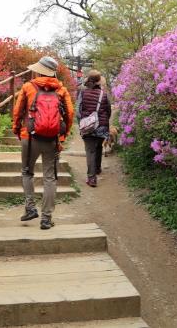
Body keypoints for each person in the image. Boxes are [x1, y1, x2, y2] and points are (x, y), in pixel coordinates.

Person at [12, 56, 74, 229]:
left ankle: (30, 208)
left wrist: (17, 129)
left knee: (27, 172)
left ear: (39, 70)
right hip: (52, 140)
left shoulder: (28, 87)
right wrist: (63, 135)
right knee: (50, 178)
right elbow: (69, 114)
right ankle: (46, 218)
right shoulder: (61, 90)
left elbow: (17, 112)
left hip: (29, 138)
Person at [76, 70, 111, 187]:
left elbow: (78, 111)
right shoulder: (104, 94)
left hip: (88, 126)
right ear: (98, 82)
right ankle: (97, 169)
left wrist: (81, 122)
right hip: (101, 125)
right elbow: (108, 111)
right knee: (99, 146)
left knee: (90, 151)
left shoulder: (83, 93)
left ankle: (92, 178)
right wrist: (103, 122)